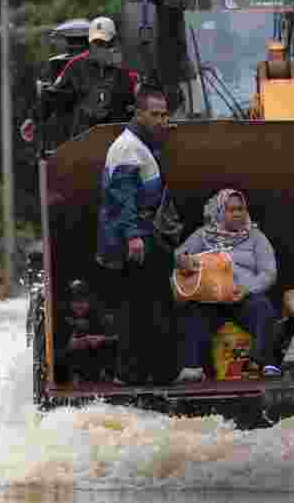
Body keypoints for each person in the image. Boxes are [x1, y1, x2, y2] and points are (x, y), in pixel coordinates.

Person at [95, 87, 183, 385]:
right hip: (135, 241)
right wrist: (134, 238)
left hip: (148, 235)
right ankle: (134, 375)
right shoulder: (126, 148)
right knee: (139, 309)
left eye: (164, 114)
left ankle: (152, 372)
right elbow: (123, 199)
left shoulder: (143, 143)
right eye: (155, 114)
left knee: (152, 305)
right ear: (139, 113)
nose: (161, 120)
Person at [175, 189, 281, 381]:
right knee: (191, 313)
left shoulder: (256, 237)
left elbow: (269, 273)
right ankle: (192, 367)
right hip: (211, 301)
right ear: (219, 211)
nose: (238, 213)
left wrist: (248, 289)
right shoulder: (203, 235)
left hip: (242, 297)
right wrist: (184, 261)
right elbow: (179, 255)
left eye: (241, 209)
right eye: (231, 210)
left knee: (263, 308)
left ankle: (262, 362)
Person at [20, 16, 140, 144]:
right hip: (84, 142)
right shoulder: (75, 66)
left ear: (114, 43)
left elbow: (140, 104)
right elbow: (53, 96)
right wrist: (32, 119)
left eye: (104, 44)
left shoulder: (127, 69)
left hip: (118, 143)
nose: (99, 48)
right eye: (96, 43)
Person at [54, 280, 117, 385]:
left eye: (83, 301)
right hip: (69, 368)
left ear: (89, 302)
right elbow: (54, 348)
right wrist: (69, 345)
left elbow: (119, 339)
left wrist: (102, 340)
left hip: (96, 365)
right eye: (75, 301)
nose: (79, 305)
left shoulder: (99, 318)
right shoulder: (61, 319)